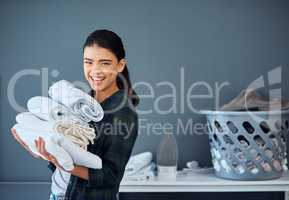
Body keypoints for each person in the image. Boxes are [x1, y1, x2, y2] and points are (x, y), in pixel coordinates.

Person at [11, 29, 139, 200]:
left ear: (120, 65)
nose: (95, 70)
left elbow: (111, 176)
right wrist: (46, 152)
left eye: (105, 63)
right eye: (89, 62)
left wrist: (65, 165)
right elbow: (69, 153)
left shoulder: (123, 113)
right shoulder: (83, 103)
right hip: (59, 195)